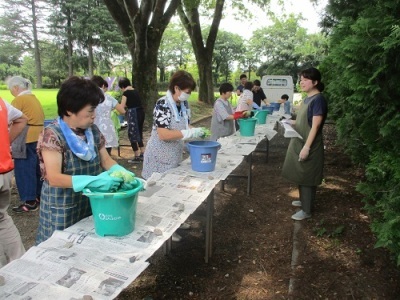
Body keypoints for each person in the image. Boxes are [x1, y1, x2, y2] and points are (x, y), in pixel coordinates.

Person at [35, 76, 133, 244]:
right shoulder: (52, 135)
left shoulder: (92, 130)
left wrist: (122, 172)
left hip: (89, 202)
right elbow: (54, 178)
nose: (94, 116)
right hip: (63, 207)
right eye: (90, 111)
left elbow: (106, 160)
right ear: (69, 110)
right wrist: (93, 182)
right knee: (60, 247)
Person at [142, 70, 203, 242]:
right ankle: (162, 227)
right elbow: (163, 134)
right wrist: (186, 133)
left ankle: (175, 221)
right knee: (159, 194)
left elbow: (186, 125)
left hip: (174, 155)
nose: (188, 95)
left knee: (175, 190)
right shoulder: (163, 104)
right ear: (176, 88)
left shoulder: (183, 106)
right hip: (159, 156)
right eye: (187, 91)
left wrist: (195, 131)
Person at [281, 67, 328, 221]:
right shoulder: (307, 98)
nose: (302, 82)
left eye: (306, 79)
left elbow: (315, 126)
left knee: (307, 176)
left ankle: (306, 210)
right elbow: (303, 120)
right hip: (300, 140)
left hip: (310, 144)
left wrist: (307, 147)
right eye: (301, 79)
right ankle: (303, 201)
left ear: (315, 82)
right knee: (301, 174)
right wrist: (289, 121)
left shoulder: (318, 99)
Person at [6, 76, 45, 213]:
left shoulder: (19, 99)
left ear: (16, 88)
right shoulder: (33, 98)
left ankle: (29, 200)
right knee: (35, 168)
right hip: (38, 135)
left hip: (25, 136)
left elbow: (11, 119)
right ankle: (39, 195)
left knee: (24, 169)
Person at [0, 96, 28, 267]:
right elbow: (21, 119)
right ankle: (19, 264)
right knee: (2, 218)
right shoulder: (1, 102)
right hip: (4, 171)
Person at [91, 76, 126, 155]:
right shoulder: (109, 98)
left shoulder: (87, 97)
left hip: (92, 126)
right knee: (107, 154)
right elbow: (122, 111)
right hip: (107, 127)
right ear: (103, 85)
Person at [118, 77, 145, 163]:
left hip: (133, 114)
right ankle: (142, 153)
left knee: (132, 134)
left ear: (122, 86)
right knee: (139, 133)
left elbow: (122, 106)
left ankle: (137, 156)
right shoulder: (135, 91)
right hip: (141, 112)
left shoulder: (126, 93)